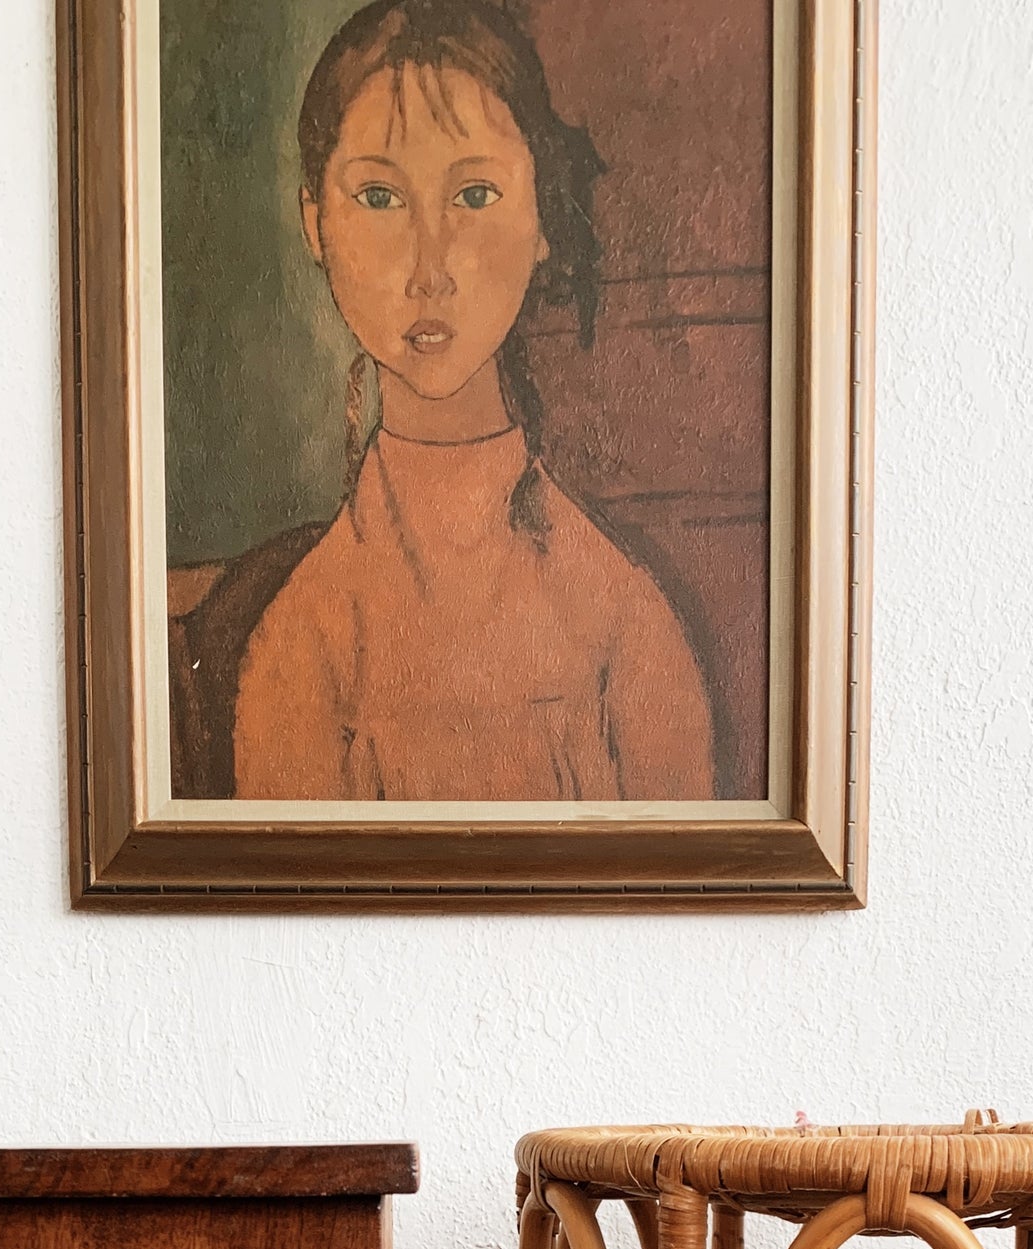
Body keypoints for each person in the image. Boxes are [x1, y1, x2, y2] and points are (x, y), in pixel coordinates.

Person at [230, 0, 715, 803]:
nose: (430, 268)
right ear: (315, 222)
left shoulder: (621, 621)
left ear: (543, 215)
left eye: (476, 194)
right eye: (379, 197)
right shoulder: (305, 643)